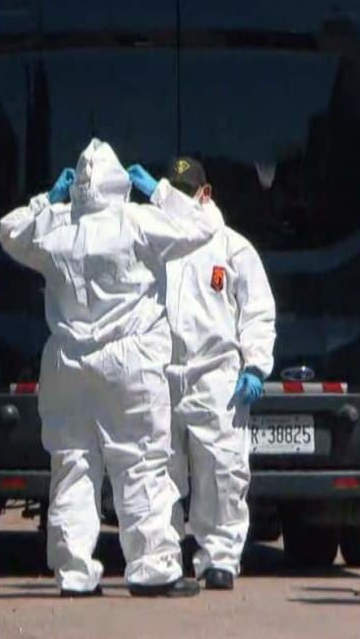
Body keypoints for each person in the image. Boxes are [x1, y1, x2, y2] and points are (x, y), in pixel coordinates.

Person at [0, 139, 221, 598]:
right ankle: (152, 567)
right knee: (140, 461)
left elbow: (9, 230)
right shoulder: (137, 222)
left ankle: (75, 571)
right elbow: (204, 226)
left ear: (78, 187)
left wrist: (48, 198)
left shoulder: (55, 228)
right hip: (129, 361)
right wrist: (161, 191)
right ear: (120, 182)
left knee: (74, 466)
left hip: (68, 363)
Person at [130, 158, 276, 591]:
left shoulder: (232, 248)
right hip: (160, 372)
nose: (172, 199)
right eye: (168, 189)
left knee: (222, 470)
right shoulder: (155, 241)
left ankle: (221, 557)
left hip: (214, 375)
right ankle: (163, 555)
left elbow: (258, 312)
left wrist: (254, 364)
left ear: (204, 194)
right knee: (158, 470)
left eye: (182, 191)